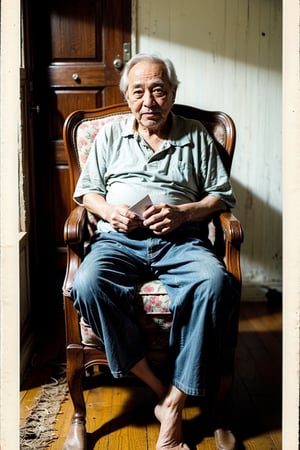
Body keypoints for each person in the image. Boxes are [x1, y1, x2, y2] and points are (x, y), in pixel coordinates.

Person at [71, 53, 238, 450]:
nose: (150, 101)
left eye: (159, 90)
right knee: (88, 282)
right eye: (139, 91)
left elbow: (221, 196)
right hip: (119, 239)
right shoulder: (110, 135)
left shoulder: (196, 133)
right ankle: (162, 391)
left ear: (173, 93)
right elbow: (88, 192)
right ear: (127, 96)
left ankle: (176, 405)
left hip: (181, 239)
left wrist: (184, 213)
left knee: (215, 282)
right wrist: (110, 210)